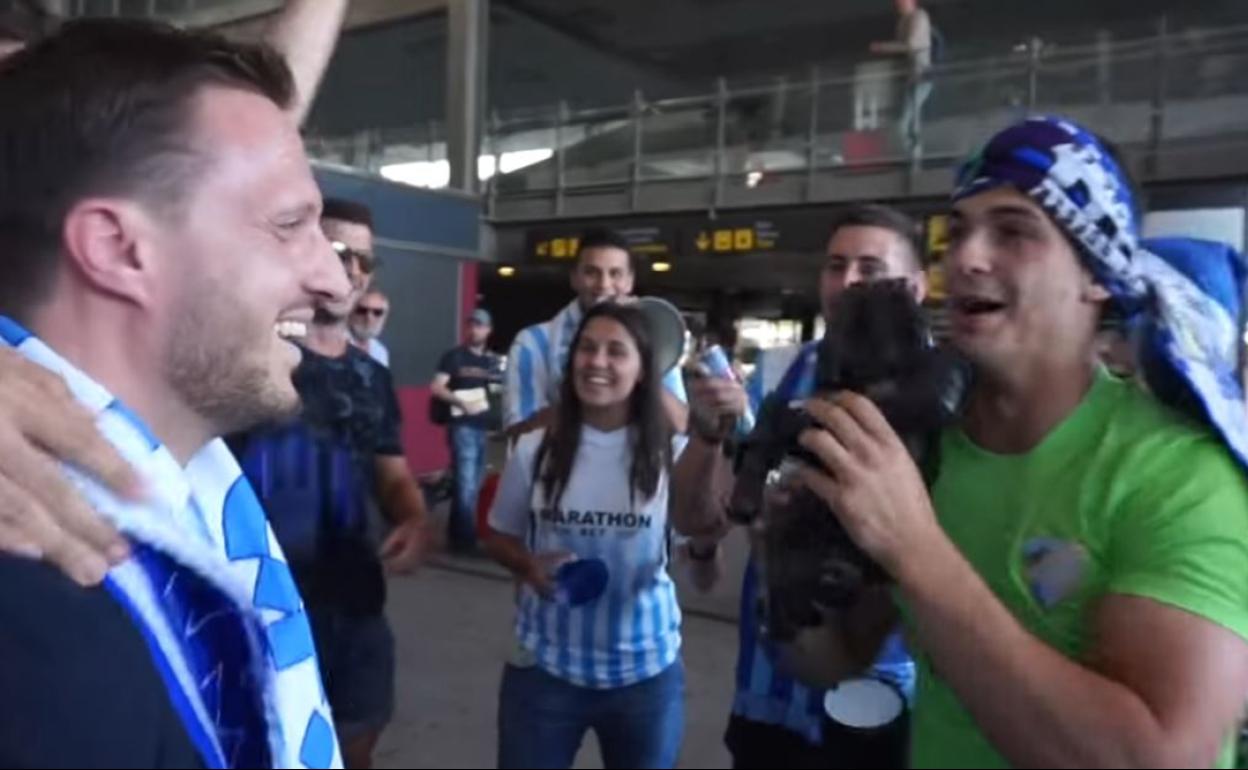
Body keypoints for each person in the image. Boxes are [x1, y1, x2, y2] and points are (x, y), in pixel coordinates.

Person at [686, 115, 1248, 767]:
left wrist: (915, 548)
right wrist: (790, 563)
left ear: (1097, 274)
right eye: (956, 233)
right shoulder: (927, 446)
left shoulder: (1181, 476)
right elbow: (833, 661)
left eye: (1013, 232)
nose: (965, 258)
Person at [0, 19, 352, 768]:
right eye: (292, 226)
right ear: (118, 249)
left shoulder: (179, 475)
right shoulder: (37, 608)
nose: (336, 283)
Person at [672, 204, 926, 769]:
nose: (848, 282)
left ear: (914, 287)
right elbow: (704, 519)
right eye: (835, 266)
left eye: (870, 266)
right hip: (768, 689)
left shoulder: (942, 390)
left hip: (878, 692)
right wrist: (710, 437)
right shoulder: (781, 374)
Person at [232, 199, 429, 769]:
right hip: (260, 610)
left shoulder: (374, 376)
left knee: (351, 749)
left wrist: (414, 517)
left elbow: (391, 469)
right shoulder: (252, 362)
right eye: (338, 250)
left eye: (363, 258)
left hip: (357, 608)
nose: (351, 268)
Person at [486, 303, 713, 769]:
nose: (597, 362)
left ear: (643, 370)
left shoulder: (674, 455)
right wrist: (527, 566)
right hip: (544, 671)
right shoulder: (534, 449)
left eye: (616, 351)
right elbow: (499, 536)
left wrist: (710, 540)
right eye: (587, 348)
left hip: (645, 675)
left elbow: (706, 572)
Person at [505, 227, 689, 438]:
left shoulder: (653, 337)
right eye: (592, 272)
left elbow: (681, 427)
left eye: (615, 274)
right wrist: (594, 393)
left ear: (630, 282)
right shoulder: (533, 343)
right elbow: (518, 434)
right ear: (574, 278)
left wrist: (645, 366)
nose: (604, 285)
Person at [432, 308, 503, 554]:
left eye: (480, 325)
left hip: (482, 427)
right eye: (471, 324)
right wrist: (460, 403)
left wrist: (496, 423)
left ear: (488, 330)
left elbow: (496, 394)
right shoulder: (454, 357)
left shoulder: (492, 361)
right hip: (461, 426)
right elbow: (437, 388)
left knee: (472, 482)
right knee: (466, 483)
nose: (475, 329)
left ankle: (458, 534)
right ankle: (464, 541)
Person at [870, 0, 934, 155]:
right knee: (909, 122)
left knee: (907, 122)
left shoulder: (919, 17)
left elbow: (911, 44)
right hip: (910, 78)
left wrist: (883, 48)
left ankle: (914, 158)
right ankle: (912, 157)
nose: (899, 5)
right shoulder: (903, 22)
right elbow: (903, 47)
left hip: (922, 75)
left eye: (902, 2)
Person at [350, 288, 391, 367]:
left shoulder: (380, 351)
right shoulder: (336, 345)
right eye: (362, 310)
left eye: (377, 312)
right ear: (350, 312)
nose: (369, 318)